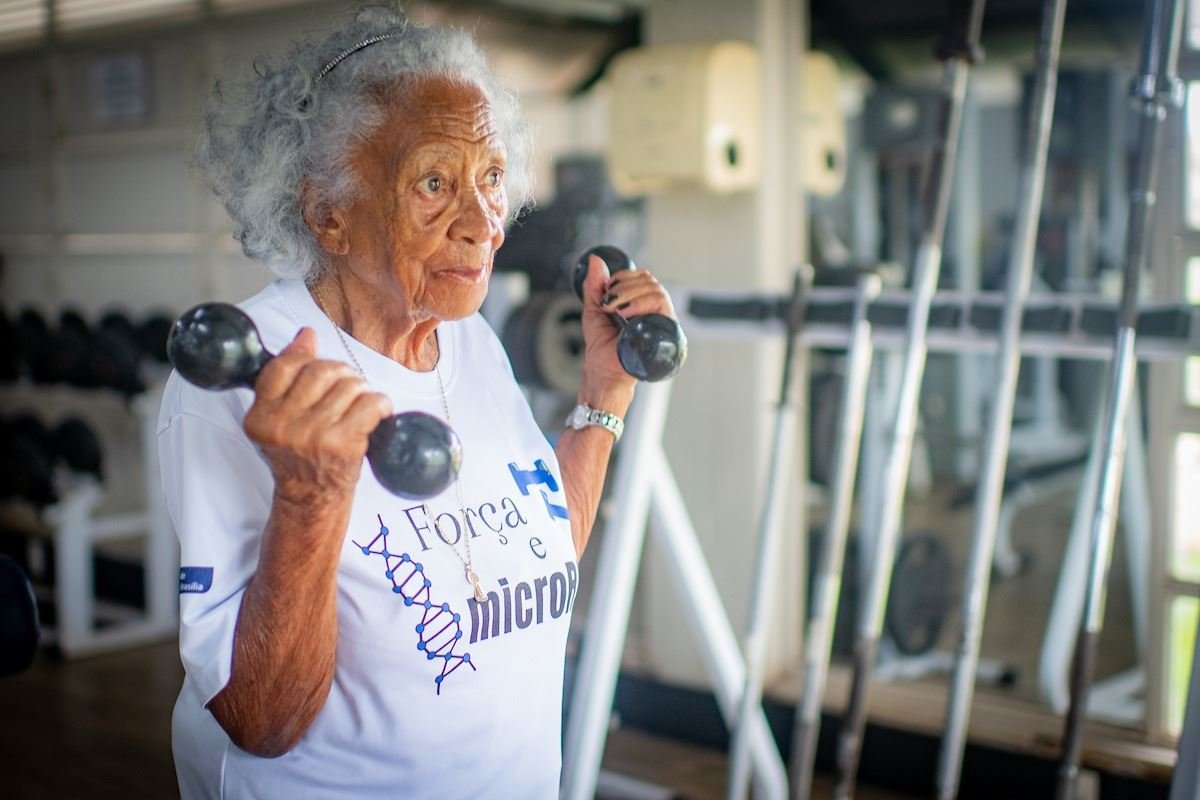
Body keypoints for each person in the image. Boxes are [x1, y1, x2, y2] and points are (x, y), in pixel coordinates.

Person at [158, 6, 677, 798]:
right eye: (434, 183)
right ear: (328, 211)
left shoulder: (466, 337)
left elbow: (533, 555)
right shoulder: (245, 381)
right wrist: (312, 494)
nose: (483, 225)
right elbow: (260, 719)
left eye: (492, 177)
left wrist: (602, 400)